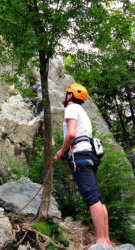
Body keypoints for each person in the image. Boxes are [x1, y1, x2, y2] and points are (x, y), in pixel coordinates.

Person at [54, 84, 113, 248]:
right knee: (98, 198)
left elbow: (71, 134)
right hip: (89, 155)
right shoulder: (83, 113)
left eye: (66, 93)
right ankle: (106, 240)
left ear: (70, 96)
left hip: (79, 156)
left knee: (91, 197)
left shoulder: (71, 108)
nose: (64, 96)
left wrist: (61, 152)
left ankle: (101, 241)